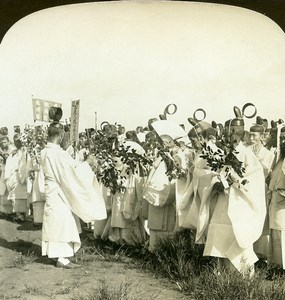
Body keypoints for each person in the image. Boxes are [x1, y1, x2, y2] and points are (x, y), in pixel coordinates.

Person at [203, 117, 266, 276]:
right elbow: (218, 174)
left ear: (242, 133)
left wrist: (231, 181)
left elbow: (252, 181)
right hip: (223, 204)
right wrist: (216, 182)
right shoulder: (225, 153)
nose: (231, 135)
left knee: (237, 238)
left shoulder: (247, 154)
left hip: (239, 204)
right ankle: (221, 278)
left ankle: (241, 279)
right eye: (228, 132)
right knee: (219, 239)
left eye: (234, 132)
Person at [40, 122, 106, 269]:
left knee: (56, 221)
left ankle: (57, 254)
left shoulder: (45, 151)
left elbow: (68, 167)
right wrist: (87, 163)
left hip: (52, 190)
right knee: (63, 222)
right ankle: (62, 258)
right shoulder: (57, 153)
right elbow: (70, 173)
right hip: (59, 192)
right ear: (60, 135)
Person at [248, 124, 274, 265]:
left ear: (262, 137)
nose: (251, 138)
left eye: (254, 135)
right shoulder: (246, 151)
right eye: (250, 135)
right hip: (248, 191)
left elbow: (269, 173)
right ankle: (250, 253)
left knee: (261, 221)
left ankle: (261, 255)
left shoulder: (268, 155)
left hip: (262, 190)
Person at [268, 126, 285, 273]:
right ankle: (277, 267)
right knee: (275, 234)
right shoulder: (279, 159)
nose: (284, 141)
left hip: (283, 203)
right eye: (281, 139)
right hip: (275, 202)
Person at [5, 134, 28, 222]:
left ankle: (22, 215)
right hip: (14, 175)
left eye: (18, 141)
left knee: (22, 195)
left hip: (22, 174)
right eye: (15, 141)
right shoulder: (14, 152)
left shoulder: (25, 150)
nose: (17, 143)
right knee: (15, 195)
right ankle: (18, 214)